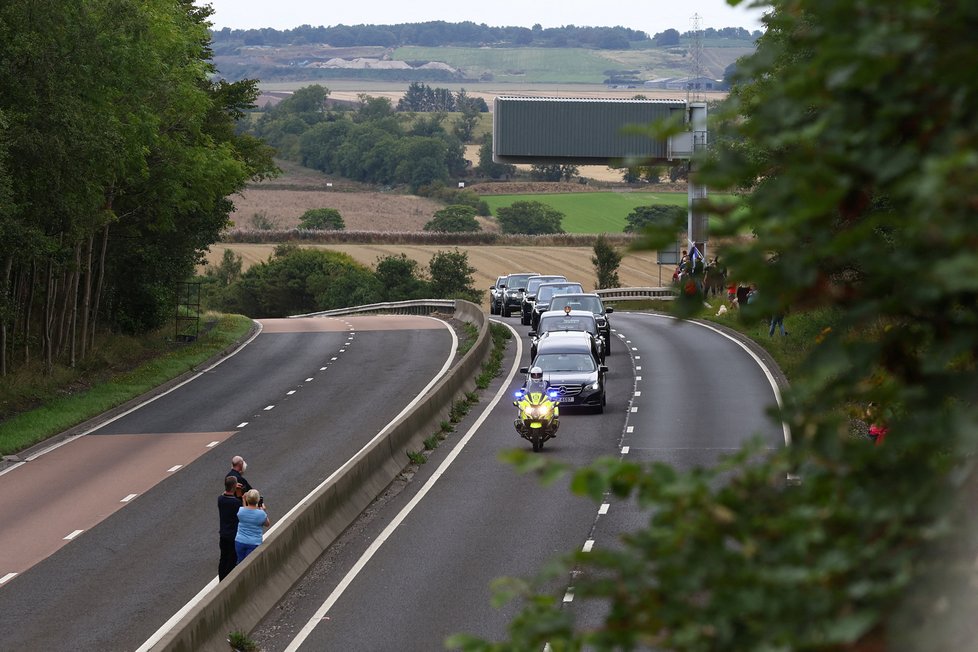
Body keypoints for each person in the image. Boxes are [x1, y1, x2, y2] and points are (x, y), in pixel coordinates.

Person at [235, 489, 270, 563]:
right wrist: (264, 511)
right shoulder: (261, 514)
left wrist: (244, 500)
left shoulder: (241, 511)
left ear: (247, 499)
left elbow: (246, 511)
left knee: (240, 563)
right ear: (257, 500)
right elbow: (267, 524)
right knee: (250, 564)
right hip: (253, 543)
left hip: (240, 541)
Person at [217, 475, 241, 580]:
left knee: (223, 559)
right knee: (232, 560)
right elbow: (242, 512)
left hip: (223, 534)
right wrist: (239, 494)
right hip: (233, 535)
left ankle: (221, 580)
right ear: (234, 486)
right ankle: (229, 580)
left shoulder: (220, 499)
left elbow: (224, 494)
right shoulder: (235, 502)